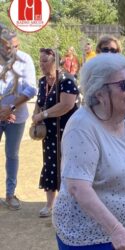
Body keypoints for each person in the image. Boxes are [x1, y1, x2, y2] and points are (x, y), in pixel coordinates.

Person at [52, 53, 125, 249]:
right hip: (91, 237)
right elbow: (78, 187)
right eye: (124, 85)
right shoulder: (81, 127)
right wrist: (116, 230)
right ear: (99, 93)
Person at [31, 48, 79, 218]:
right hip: (49, 133)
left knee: (67, 165)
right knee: (50, 164)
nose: (42, 64)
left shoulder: (66, 80)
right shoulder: (43, 82)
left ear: (54, 62)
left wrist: (43, 114)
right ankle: (50, 205)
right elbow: (39, 101)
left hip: (67, 130)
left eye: (45, 61)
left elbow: (66, 105)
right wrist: (35, 117)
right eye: (40, 60)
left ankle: (69, 204)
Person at [0, 28, 37, 210]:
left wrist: (11, 107)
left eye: (16, 45)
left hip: (17, 116)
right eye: (9, 47)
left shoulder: (26, 59)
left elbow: (30, 89)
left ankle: (9, 193)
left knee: (12, 155)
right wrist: (2, 109)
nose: (14, 50)